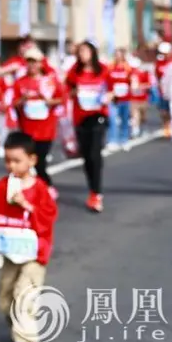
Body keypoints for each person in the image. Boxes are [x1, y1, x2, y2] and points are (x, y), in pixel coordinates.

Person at [0, 132, 58, 342]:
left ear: (32, 160)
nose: (11, 165)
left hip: (34, 253)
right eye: (7, 160)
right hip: (11, 251)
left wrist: (26, 203)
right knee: (6, 298)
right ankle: (24, 328)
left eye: (17, 160)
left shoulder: (40, 189)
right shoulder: (3, 186)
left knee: (25, 295)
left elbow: (48, 217)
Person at [64, 41, 110, 213]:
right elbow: (66, 90)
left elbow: (113, 89)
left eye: (85, 50)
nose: (82, 54)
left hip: (98, 116)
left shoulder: (103, 70)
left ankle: (97, 193)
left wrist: (109, 96)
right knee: (86, 156)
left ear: (92, 52)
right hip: (80, 117)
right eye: (80, 51)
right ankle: (92, 189)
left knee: (94, 153)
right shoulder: (74, 72)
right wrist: (73, 93)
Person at [13, 47, 63, 197]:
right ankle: (34, 189)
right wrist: (24, 99)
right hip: (27, 129)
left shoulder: (50, 81)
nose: (32, 66)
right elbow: (14, 103)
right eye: (29, 62)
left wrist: (48, 100)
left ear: (41, 63)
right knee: (28, 162)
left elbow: (61, 98)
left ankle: (47, 186)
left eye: (34, 62)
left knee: (39, 161)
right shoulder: (21, 82)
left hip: (46, 130)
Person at [105, 48, 134, 151]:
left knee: (125, 119)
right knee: (112, 120)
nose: (118, 57)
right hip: (114, 99)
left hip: (125, 98)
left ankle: (124, 139)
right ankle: (113, 140)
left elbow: (132, 82)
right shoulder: (110, 67)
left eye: (119, 55)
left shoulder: (128, 68)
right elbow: (106, 82)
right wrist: (109, 94)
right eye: (116, 55)